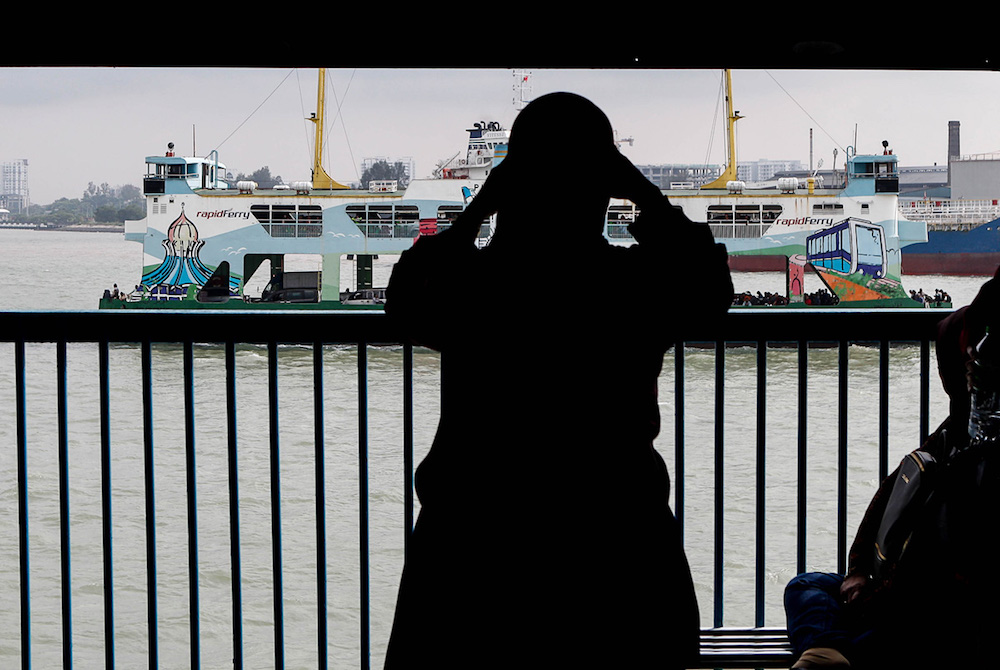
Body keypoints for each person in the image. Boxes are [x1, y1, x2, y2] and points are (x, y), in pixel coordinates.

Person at [382, 92, 733, 669]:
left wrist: (476, 212)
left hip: (470, 543)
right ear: (603, 187)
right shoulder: (633, 286)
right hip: (620, 539)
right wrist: (645, 193)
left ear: (510, 187)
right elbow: (710, 290)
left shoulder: (473, 288)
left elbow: (403, 300)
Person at [784, 268, 1000, 669]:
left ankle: (827, 649)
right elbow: (886, 502)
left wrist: (874, 590)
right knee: (808, 585)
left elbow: (944, 578)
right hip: (891, 596)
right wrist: (858, 573)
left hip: (923, 610)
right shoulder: (952, 436)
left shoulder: (976, 460)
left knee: (828, 602)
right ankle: (835, 649)